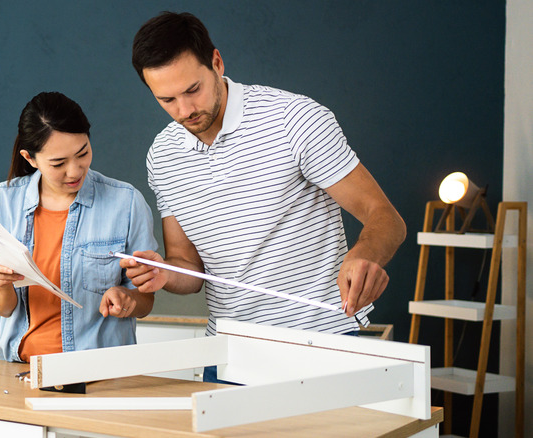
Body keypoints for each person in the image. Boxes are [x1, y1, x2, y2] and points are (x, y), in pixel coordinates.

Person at [122, 12, 406, 380]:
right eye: (167, 99)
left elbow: (386, 218)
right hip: (228, 354)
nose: (185, 110)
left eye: (193, 90)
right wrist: (165, 272)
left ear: (217, 63)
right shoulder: (162, 156)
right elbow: (188, 269)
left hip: (321, 346)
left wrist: (365, 256)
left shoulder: (295, 120)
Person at [0, 91, 157, 363]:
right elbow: (3, 309)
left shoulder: (126, 202)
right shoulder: (3, 201)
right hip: (18, 370)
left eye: (82, 153)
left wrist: (126, 298)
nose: (75, 171)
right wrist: (0, 283)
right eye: (58, 163)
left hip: (98, 371)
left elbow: (146, 302)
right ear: (30, 158)